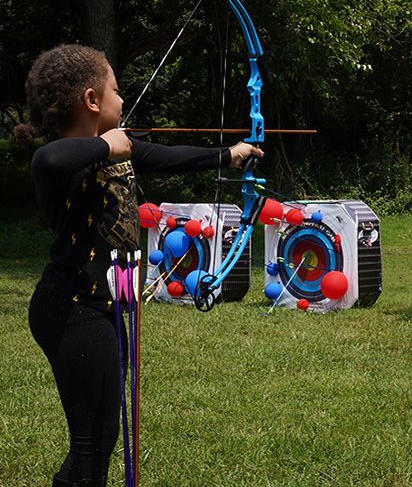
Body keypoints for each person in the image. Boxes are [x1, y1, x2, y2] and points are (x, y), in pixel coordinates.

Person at [14, 44, 262, 487]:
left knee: (103, 436)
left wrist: (231, 154)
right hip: (72, 309)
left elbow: (174, 156)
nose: (123, 99)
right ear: (92, 101)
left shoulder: (122, 151)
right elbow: (46, 161)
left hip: (104, 308)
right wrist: (103, 145)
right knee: (91, 443)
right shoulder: (64, 159)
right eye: (115, 89)